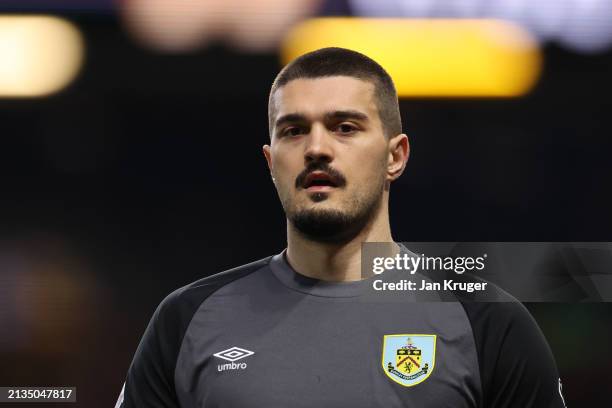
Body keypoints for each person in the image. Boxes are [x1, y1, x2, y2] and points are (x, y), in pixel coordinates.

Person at [115, 47, 566, 407]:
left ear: (395, 156)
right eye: (293, 131)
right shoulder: (186, 320)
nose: (316, 148)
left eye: (344, 127)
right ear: (271, 163)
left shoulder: (486, 321)